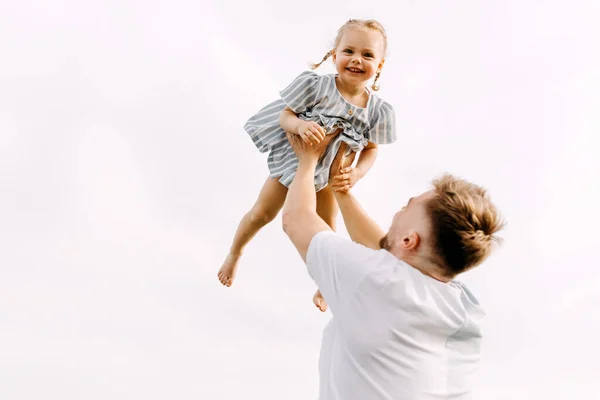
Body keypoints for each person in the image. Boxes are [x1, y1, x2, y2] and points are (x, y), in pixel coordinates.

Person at [282, 134, 505, 399]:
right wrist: (341, 192)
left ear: (410, 240)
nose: (398, 212)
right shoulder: (462, 306)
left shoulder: (378, 282)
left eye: (406, 207)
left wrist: (307, 159)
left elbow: (296, 218)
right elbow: (389, 258)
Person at [218, 19, 397, 312]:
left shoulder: (377, 111)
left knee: (326, 230)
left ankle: (325, 283)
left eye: (367, 55)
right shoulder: (318, 86)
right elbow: (285, 117)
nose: (356, 59)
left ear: (379, 65)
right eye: (348, 51)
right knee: (262, 214)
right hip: (294, 163)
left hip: (329, 176)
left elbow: (371, 150)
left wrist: (358, 172)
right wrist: (300, 126)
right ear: (334, 54)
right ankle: (235, 251)